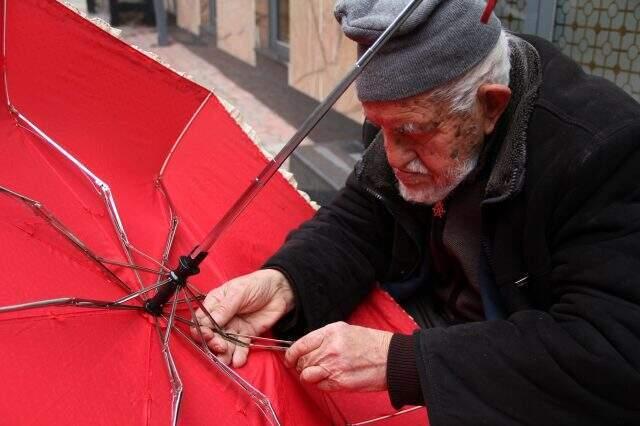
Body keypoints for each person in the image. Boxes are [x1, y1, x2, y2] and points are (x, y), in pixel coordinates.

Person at [193, 0, 640, 424]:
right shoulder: (409, 114)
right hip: (429, 321)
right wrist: (288, 283)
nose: (392, 155)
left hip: (505, 373)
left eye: (411, 132)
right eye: (378, 125)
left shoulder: (602, 152)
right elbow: (363, 214)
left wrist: (403, 362)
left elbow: (614, 354)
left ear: (491, 105)